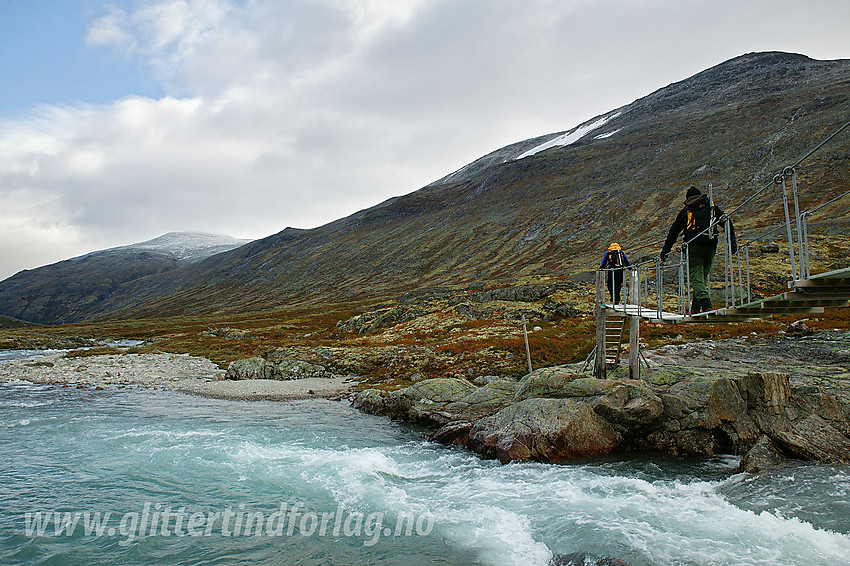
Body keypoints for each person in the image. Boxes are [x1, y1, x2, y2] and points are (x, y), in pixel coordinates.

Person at [660, 186, 736, 313]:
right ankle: (695, 307)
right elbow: (727, 222)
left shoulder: (687, 211)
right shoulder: (711, 208)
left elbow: (673, 232)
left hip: (693, 247)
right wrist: (732, 243)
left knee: (696, 277)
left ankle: (706, 303)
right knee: (703, 277)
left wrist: (666, 250)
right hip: (711, 245)